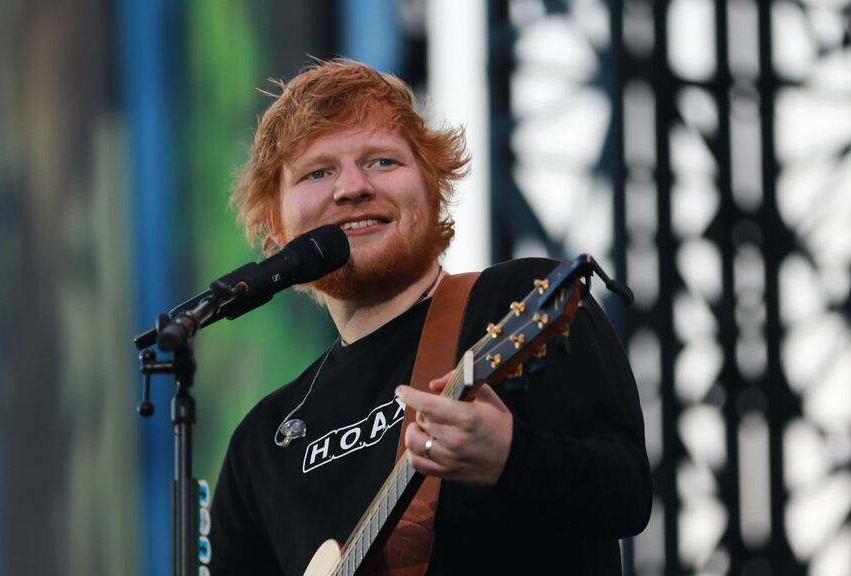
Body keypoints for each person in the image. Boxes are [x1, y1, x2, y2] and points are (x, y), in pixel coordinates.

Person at [208, 58, 652, 575]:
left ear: (433, 189)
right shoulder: (262, 441)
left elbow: (627, 494)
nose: (351, 187)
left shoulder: (515, 301)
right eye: (318, 172)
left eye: (381, 162)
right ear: (275, 226)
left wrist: (513, 457)